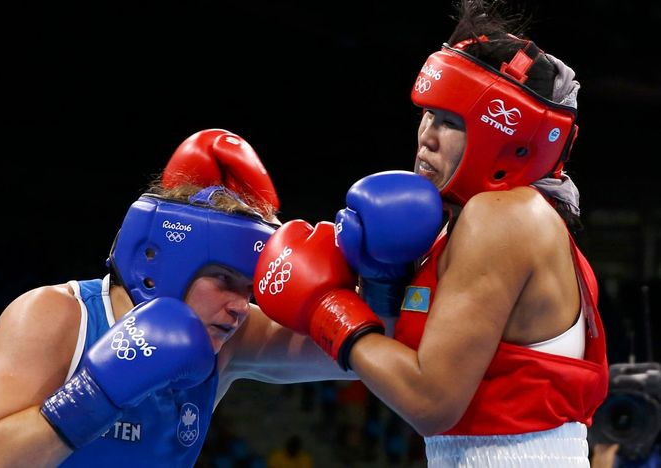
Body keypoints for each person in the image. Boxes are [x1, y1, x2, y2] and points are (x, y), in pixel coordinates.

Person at [251, 0, 609, 466]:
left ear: (508, 139)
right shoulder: (455, 230)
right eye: (428, 114)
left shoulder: (505, 216)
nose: (427, 136)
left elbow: (430, 402)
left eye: (451, 122)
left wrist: (326, 307)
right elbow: (396, 361)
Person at [0, 128, 354, 467]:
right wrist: (93, 394)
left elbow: (360, 345)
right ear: (166, 266)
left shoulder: (230, 340)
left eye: (249, 289)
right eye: (224, 279)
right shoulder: (56, 315)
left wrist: (384, 275)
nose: (241, 306)